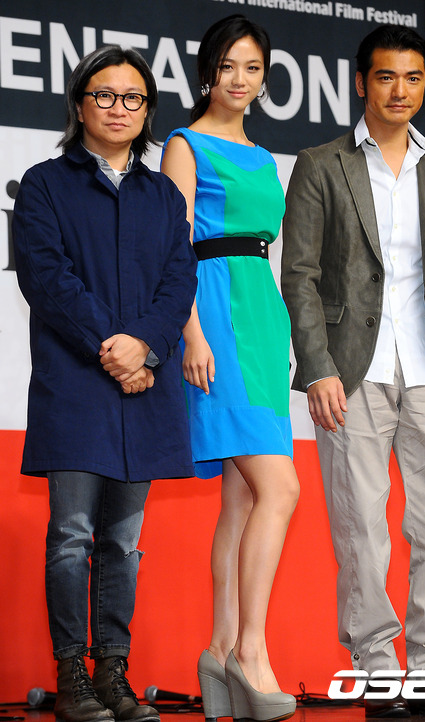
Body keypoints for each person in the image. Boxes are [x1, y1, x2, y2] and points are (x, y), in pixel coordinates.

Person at [282, 24, 425, 719]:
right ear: (361, 83)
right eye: (386, 76)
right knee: (361, 527)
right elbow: (300, 275)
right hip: (351, 373)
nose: (401, 90)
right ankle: (375, 667)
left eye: (414, 78)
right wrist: (317, 367)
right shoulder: (321, 164)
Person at [13, 45, 197, 722]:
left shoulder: (162, 194)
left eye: (133, 97)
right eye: (104, 95)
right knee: (71, 535)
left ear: (148, 110)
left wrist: (145, 346)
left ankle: (113, 674)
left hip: (144, 387)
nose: (119, 108)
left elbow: (179, 281)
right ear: (79, 103)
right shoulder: (44, 185)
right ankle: (72, 677)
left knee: (123, 543)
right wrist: (113, 348)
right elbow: (47, 279)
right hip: (77, 385)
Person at [161, 14, 299, 722]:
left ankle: (218, 650)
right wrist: (190, 333)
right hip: (215, 316)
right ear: (206, 72)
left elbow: (266, 246)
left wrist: (281, 331)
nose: (239, 79)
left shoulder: (264, 155)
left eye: (252, 68)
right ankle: (251, 652)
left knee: (242, 499)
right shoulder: (184, 145)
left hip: (263, 318)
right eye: (227, 66)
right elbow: (173, 247)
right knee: (282, 488)